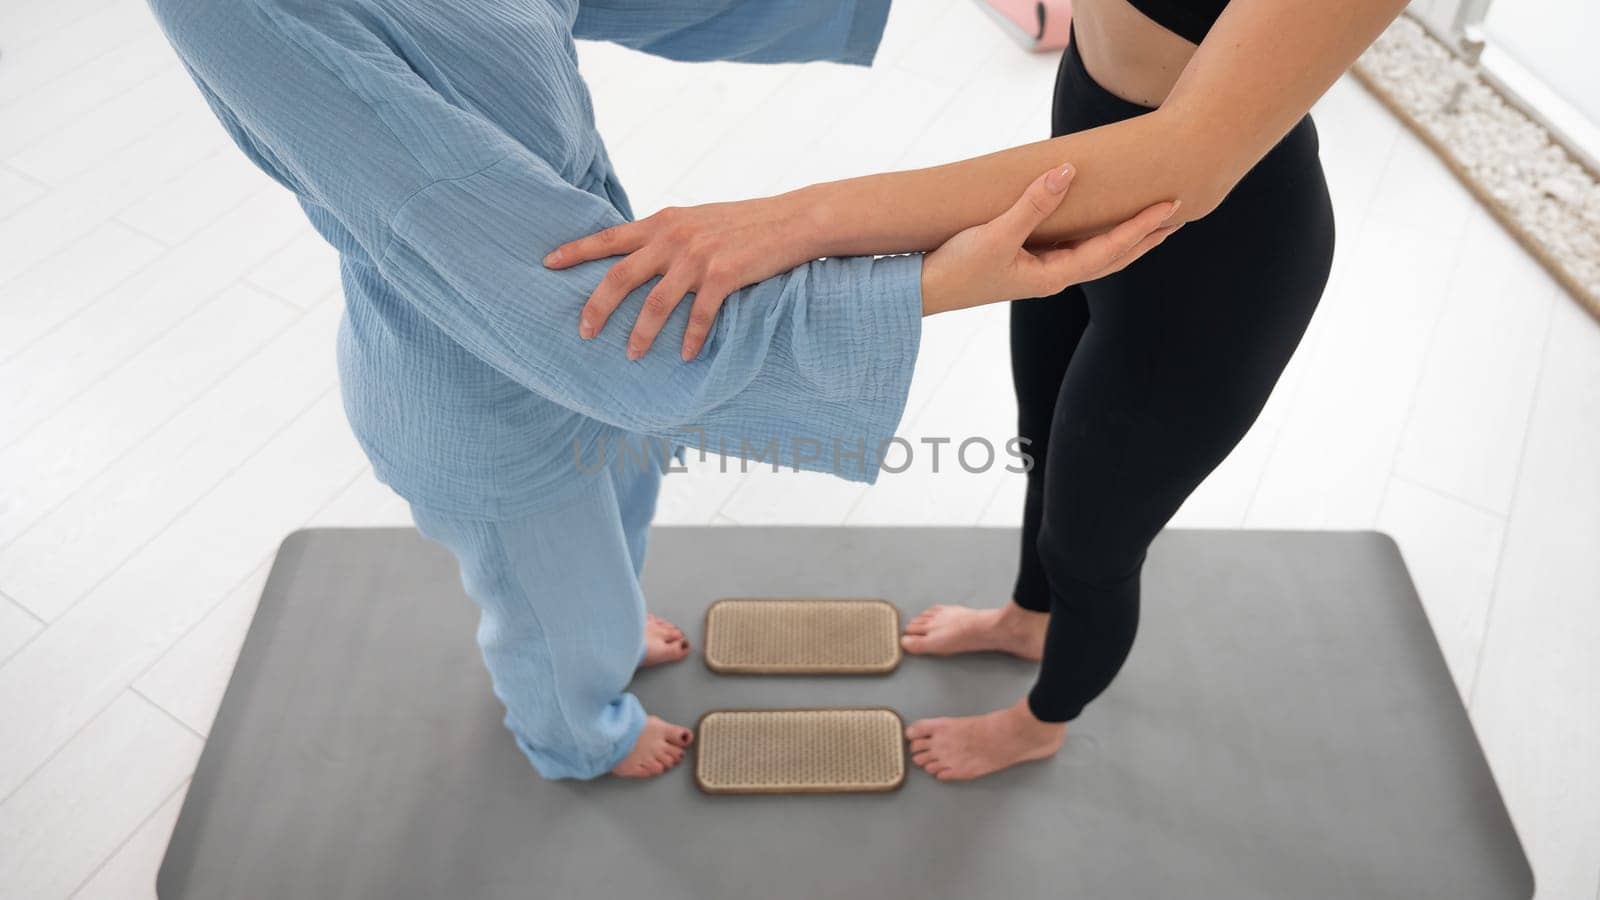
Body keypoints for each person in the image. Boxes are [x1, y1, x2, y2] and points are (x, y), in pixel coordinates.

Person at [146, 0, 1176, 781]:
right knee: (553, 613)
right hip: (479, 377)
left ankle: (607, 621)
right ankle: (579, 734)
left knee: (620, 513)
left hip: (592, 310)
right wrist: (927, 280)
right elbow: (557, 307)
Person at [550, 0, 1408, 780]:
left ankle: (1043, 720)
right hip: (1075, 175)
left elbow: (1186, 157)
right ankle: (1027, 619)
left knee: (1092, 548)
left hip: (1212, 259)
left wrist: (801, 223)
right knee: (1044, 442)